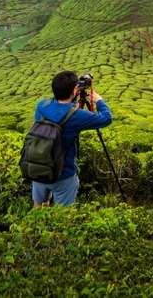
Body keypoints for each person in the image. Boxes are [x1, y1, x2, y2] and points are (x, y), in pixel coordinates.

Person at [31, 70, 112, 207]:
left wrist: (71, 93)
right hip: (63, 175)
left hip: (38, 168)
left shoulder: (41, 105)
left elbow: (57, 105)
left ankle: (34, 227)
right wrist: (98, 101)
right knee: (63, 216)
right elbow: (106, 118)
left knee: (37, 206)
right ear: (75, 90)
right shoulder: (77, 116)